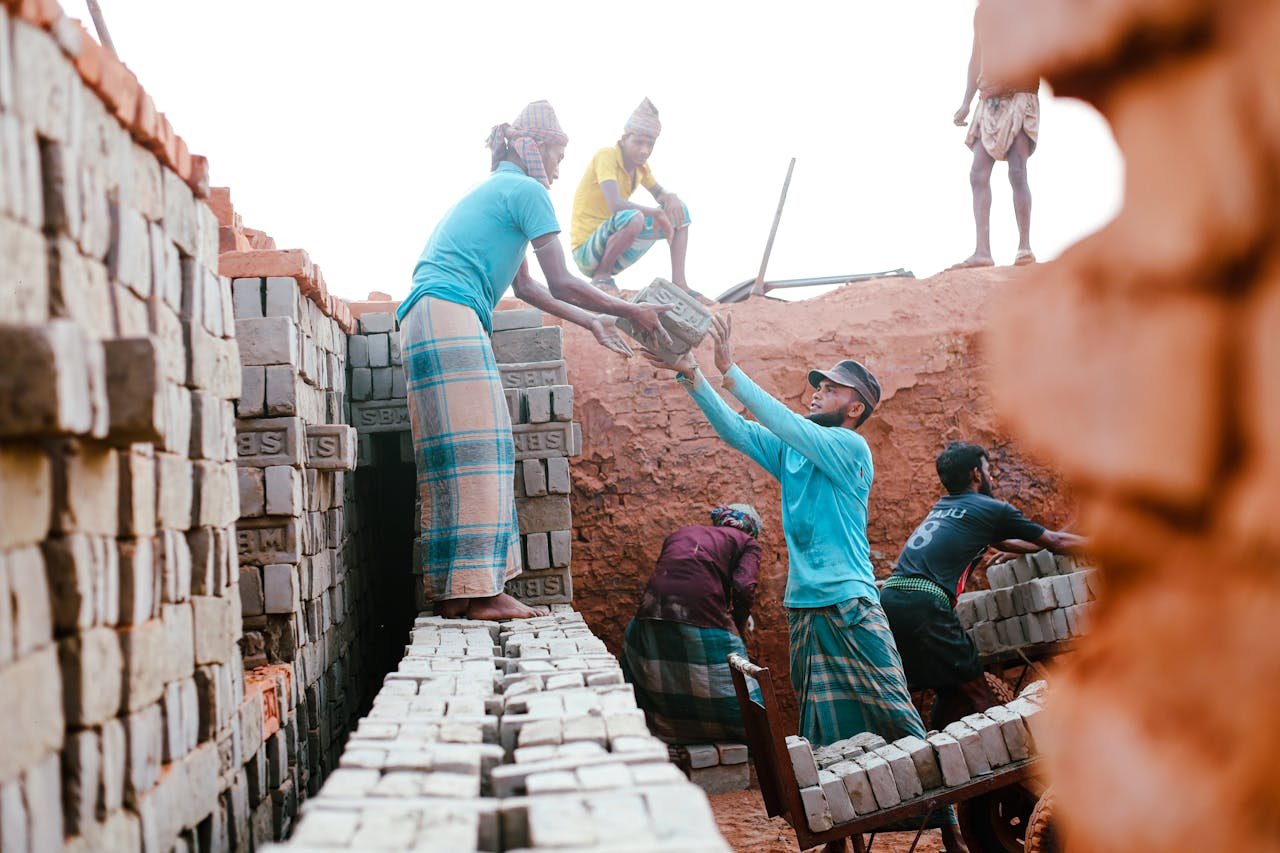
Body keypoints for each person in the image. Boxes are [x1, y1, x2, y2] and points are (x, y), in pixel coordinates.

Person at [644, 315, 968, 852]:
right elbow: (739, 432)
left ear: (855, 408)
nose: (817, 391)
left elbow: (787, 424)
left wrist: (731, 370)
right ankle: (838, 834)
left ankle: (950, 829)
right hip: (804, 610)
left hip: (852, 605)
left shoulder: (849, 449)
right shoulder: (795, 452)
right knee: (821, 729)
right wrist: (691, 373)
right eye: (818, 385)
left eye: (831, 388)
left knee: (895, 710)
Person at [398, 101, 674, 621]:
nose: (559, 167)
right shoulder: (527, 191)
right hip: (449, 310)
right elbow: (563, 280)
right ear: (537, 146)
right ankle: (482, 593)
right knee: (486, 448)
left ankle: (458, 594)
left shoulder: (502, 191)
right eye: (559, 154)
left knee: (455, 456)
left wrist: (592, 321)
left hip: (425, 316)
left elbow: (526, 286)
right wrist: (629, 310)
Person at [881, 441, 1087, 728]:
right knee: (980, 696)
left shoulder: (944, 508)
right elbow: (1056, 541)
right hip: (925, 605)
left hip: (891, 602)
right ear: (976, 474)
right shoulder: (990, 508)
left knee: (952, 693)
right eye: (989, 470)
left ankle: (942, 747)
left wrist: (1018, 551)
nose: (992, 477)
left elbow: (1010, 543)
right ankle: (1012, 749)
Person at [621, 503, 763, 744]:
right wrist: (738, 623)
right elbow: (743, 586)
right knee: (735, 678)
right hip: (699, 610)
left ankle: (671, 734)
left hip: (651, 610)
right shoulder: (748, 542)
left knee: (666, 674)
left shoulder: (682, 533)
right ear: (751, 530)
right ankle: (751, 736)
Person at [569, 97, 692, 294]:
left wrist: (672, 197)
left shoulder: (641, 168)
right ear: (624, 139)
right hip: (587, 252)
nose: (644, 150)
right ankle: (602, 277)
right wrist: (656, 213)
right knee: (634, 217)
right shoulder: (607, 155)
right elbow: (616, 204)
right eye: (638, 142)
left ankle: (679, 283)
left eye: (650, 144)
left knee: (680, 212)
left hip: (615, 246)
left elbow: (659, 193)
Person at [950, 5, 1041, 269]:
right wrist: (966, 102)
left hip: (1019, 96)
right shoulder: (983, 12)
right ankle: (982, 251)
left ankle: (1024, 247)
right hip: (989, 99)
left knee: (1017, 171)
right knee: (978, 174)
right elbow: (976, 58)